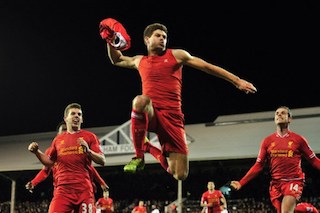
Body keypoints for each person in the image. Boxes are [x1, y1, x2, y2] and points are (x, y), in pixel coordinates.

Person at [99, 19, 257, 181]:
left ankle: (149, 147)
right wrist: (110, 41)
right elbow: (117, 59)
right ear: (147, 40)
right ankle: (138, 156)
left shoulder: (177, 55)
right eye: (158, 35)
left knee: (180, 174)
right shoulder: (140, 60)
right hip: (153, 113)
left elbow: (207, 67)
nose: (163, 39)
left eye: (165, 37)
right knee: (140, 101)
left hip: (173, 119)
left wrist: (237, 81)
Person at [230, 106, 320, 213]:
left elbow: (314, 160)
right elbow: (258, 165)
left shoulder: (298, 140)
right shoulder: (267, 141)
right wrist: (241, 182)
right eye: (277, 113)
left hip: (293, 181)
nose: (279, 115)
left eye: (283, 113)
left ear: (290, 119)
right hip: (276, 185)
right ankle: (305, 209)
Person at [28, 103, 106, 213]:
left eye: (79, 114)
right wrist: (36, 152)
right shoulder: (58, 140)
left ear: (82, 119)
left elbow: (102, 161)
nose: (77, 116)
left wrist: (89, 151)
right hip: (63, 191)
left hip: (84, 191)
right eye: (73, 113)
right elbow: (49, 163)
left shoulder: (90, 137)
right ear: (66, 118)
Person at [26, 121, 109, 194]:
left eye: (67, 130)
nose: (66, 132)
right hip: (61, 190)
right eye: (63, 130)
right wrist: (33, 182)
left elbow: (89, 167)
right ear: (58, 134)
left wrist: (101, 182)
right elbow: (45, 171)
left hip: (82, 189)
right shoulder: (50, 152)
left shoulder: (80, 147)